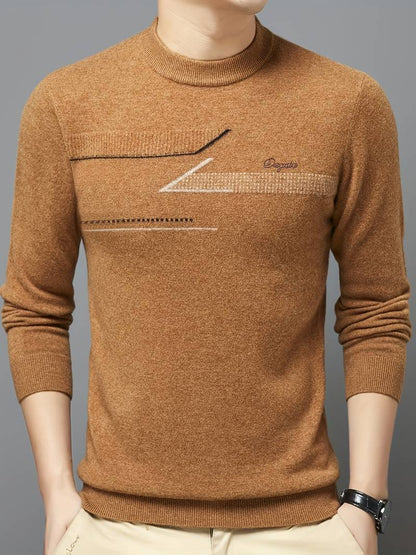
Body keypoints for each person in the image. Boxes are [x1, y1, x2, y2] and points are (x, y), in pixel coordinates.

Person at [0, 0, 412, 554]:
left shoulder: (349, 104)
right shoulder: (65, 104)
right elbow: (35, 307)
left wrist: (365, 503)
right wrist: (57, 496)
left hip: (303, 533)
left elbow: (376, 308)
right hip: (117, 531)